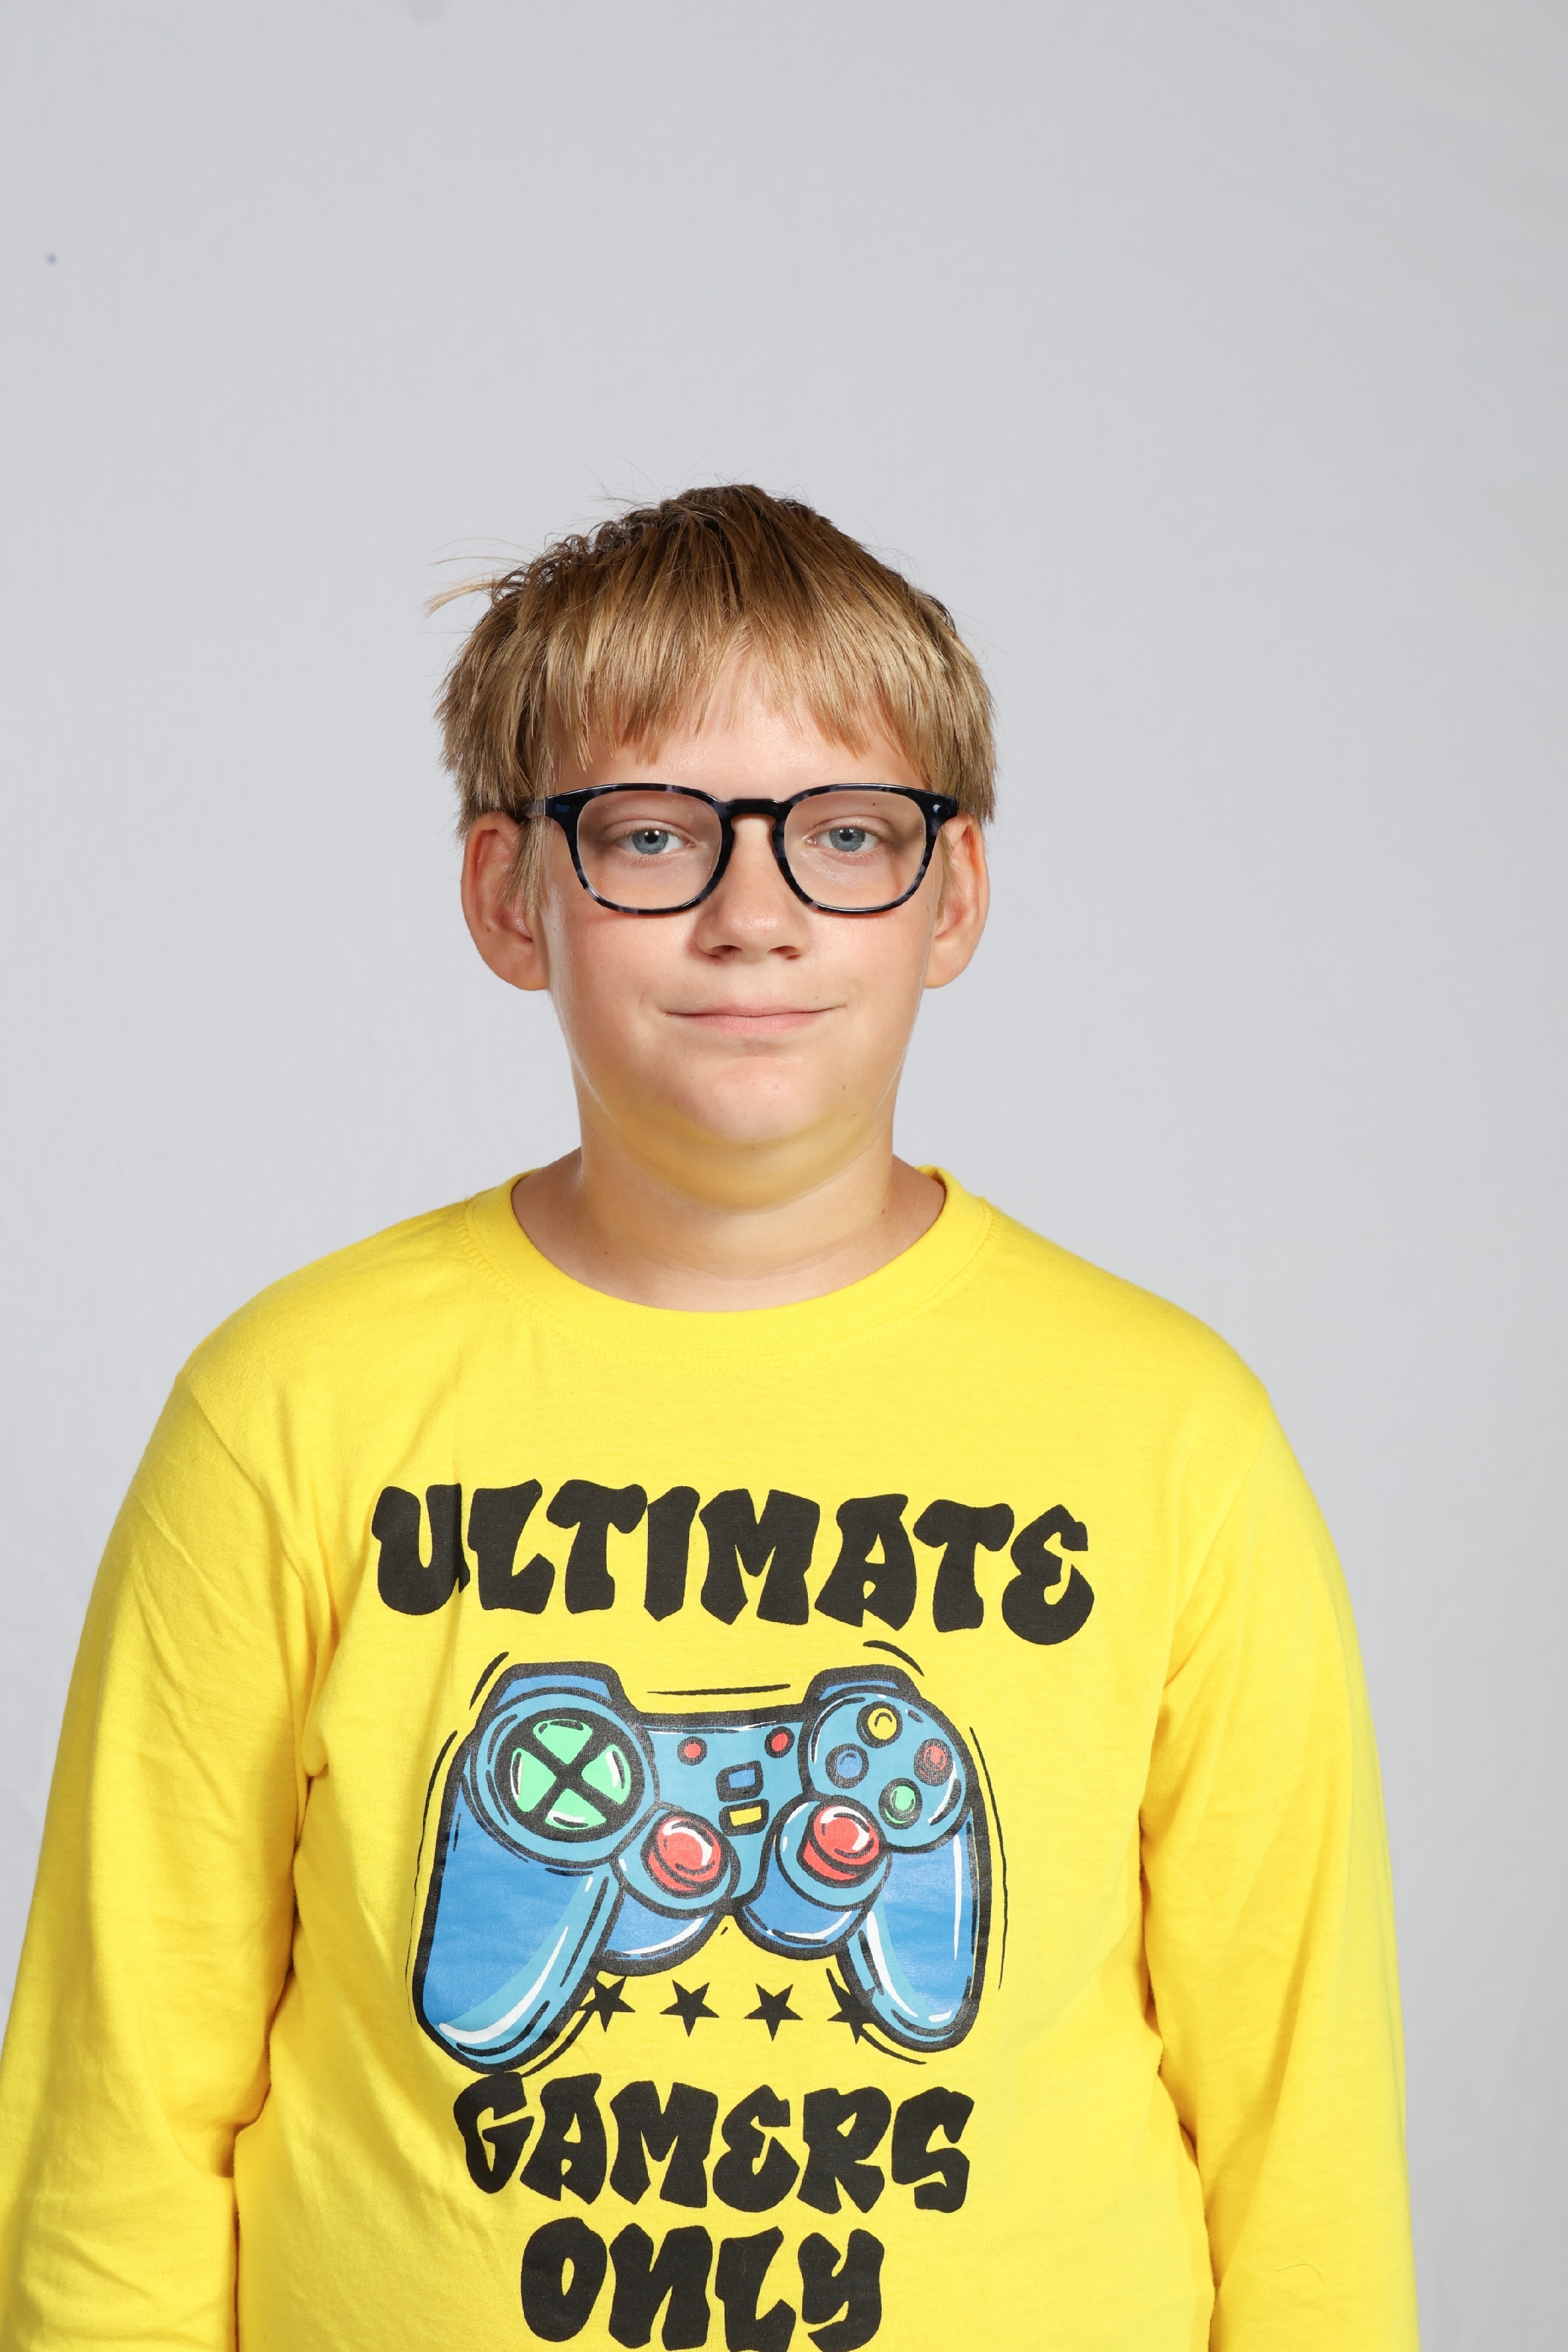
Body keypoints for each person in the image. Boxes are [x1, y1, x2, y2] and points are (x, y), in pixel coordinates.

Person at [0, 486, 1419, 2351]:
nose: (755, 918)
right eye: (655, 835)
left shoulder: (1169, 1433)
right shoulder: (293, 1404)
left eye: (846, 834)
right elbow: (121, 2094)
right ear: (511, 894)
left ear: (953, 897)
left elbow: (1300, 2120)